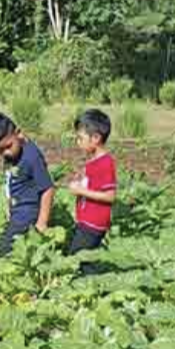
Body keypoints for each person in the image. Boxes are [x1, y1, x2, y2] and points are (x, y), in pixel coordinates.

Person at [0, 112, 54, 256]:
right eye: (0, 150)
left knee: (4, 250)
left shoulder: (32, 157)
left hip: (28, 213)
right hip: (17, 211)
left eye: (8, 146)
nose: (6, 153)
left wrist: (42, 223)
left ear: (18, 133)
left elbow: (48, 189)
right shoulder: (12, 154)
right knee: (9, 248)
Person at [67, 109, 117, 256]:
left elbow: (110, 196)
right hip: (85, 222)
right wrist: (81, 180)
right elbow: (94, 184)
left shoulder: (105, 163)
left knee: (77, 260)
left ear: (95, 138)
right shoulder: (93, 161)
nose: (78, 142)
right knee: (83, 260)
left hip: (94, 225)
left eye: (80, 138)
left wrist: (81, 191)